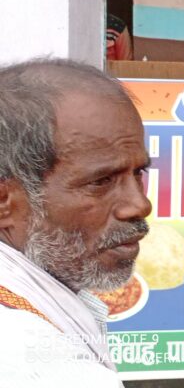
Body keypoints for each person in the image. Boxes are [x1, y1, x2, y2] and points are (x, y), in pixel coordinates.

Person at [0, 58, 152, 386]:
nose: (140, 205)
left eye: (139, 173)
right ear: (4, 201)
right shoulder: (34, 363)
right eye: (101, 181)